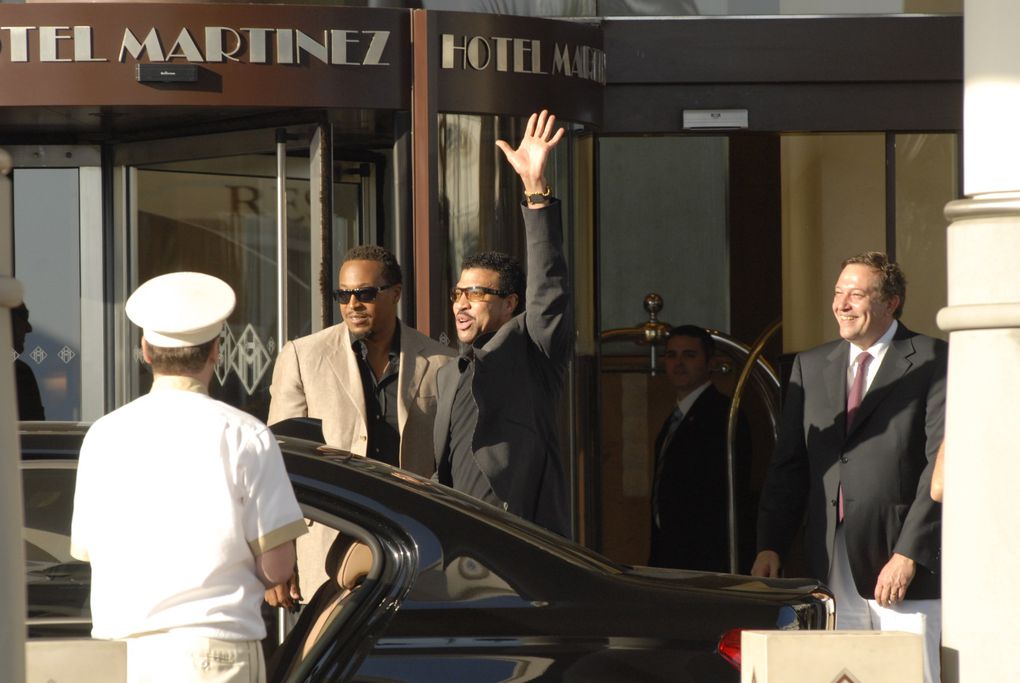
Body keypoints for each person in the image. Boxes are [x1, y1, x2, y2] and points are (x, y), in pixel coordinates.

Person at [70, 272, 307, 683]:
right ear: (217, 350)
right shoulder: (245, 434)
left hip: (122, 656)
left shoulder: (102, 435)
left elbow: (89, 550)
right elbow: (278, 567)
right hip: (212, 654)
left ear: (145, 350)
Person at [751, 252, 946, 683]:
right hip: (831, 559)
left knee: (911, 675)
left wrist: (909, 552)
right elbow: (790, 465)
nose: (842, 304)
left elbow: (941, 466)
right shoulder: (811, 364)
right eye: (838, 293)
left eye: (856, 294)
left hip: (903, 562)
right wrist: (771, 545)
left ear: (890, 303)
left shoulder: (934, 360)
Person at [266, 245, 454, 605]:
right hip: (328, 550)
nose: (353, 304)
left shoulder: (441, 363)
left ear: (395, 293)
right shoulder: (303, 357)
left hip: (411, 549)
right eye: (344, 294)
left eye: (365, 294)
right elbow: (278, 465)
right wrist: (277, 554)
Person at [433, 109, 571, 537]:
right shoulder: (448, 372)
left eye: (477, 294)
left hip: (521, 548)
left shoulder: (533, 351)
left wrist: (535, 190)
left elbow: (548, 283)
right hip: (458, 549)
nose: (462, 303)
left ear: (511, 303)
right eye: (458, 293)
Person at [649, 325, 751, 573]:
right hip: (671, 556)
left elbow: (723, 496)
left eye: (689, 355)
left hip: (706, 560)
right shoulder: (674, 418)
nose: (679, 363)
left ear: (710, 363)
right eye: (671, 355)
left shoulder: (724, 415)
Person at [12, 303, 45, 420]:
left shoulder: (20, 372)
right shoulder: (20, 373)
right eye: (23, 317)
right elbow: (36, 432)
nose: (29, 328)